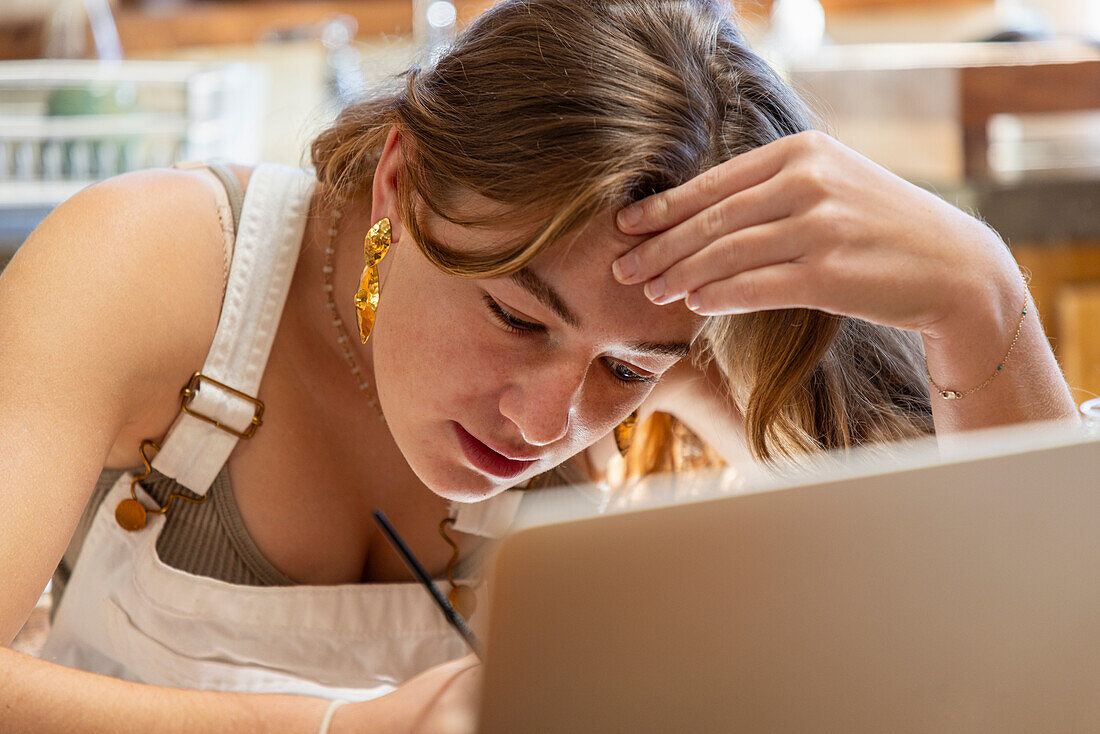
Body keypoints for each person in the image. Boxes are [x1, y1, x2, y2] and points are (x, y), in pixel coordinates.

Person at [0, 0, 1080, 731]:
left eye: (624, 372)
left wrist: (979, 297)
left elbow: (1033, 656)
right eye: (517, 317)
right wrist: (344, 725)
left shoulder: (676, 320)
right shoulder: (158, 261)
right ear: (399, 181)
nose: (542, 416)